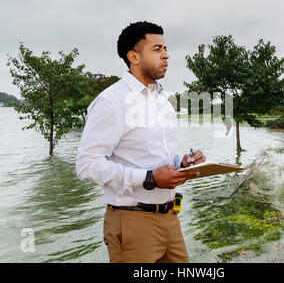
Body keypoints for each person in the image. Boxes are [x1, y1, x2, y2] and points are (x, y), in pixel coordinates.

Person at [75, 21, 206, 263]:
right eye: (157, 49)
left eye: (165, 48)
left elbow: (160, 155)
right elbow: (86, 165)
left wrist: (183, 161)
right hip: (132, 221)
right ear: (134, 57)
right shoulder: (111, 101)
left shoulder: (162, 102)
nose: (166, 55)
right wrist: (149, 178)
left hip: (170, 218)